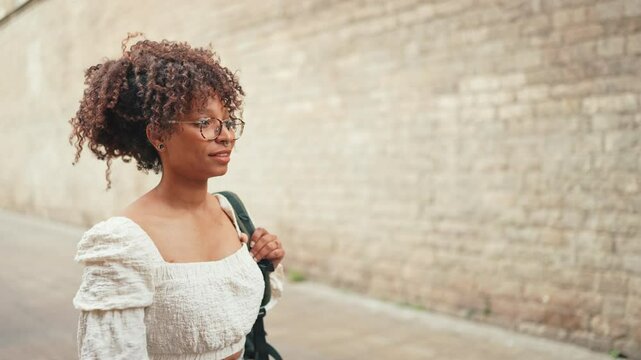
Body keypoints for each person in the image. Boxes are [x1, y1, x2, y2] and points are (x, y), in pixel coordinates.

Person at [68, 33, 286, 360]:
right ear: (158, 135)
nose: (225, 136)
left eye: (227, 123)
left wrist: (268, 265)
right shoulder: (122, 243)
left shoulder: (230, 210)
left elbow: (240, 316)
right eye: (204, 123)